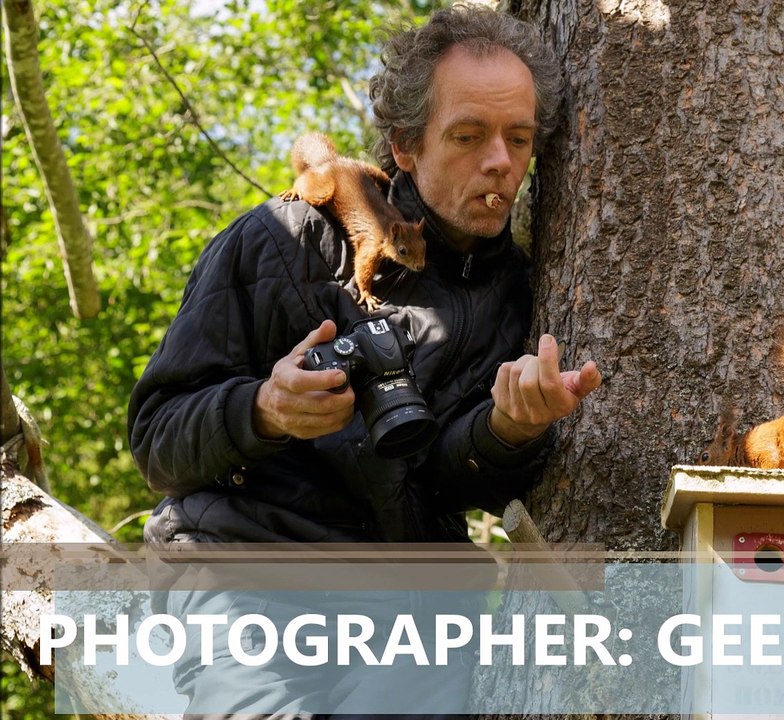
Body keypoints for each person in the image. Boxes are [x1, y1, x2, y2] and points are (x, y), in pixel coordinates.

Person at [127, 5, 599, 716]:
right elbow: (157, 437)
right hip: (246, 575)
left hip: (414, 613)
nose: (500, 162)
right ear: (405, 146)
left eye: (520, 138)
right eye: (468, 135)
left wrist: (507, 430)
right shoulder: (286, 239)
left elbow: (444, 476)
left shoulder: (523, 296)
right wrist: (264, 410)